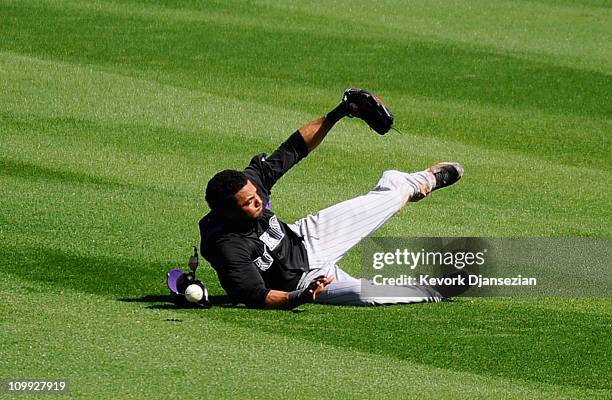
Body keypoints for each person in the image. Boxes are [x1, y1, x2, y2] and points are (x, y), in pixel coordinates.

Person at [199, 89, 464, 309]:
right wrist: (301, 296)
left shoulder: (249, 183)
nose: (258, 200)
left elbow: (295, 148)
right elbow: (257, 296)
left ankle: (416, 181)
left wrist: (339, 113)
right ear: (228, 212)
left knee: (394, 196)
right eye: (248, 202)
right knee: (367, 294)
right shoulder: (226, 247)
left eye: (255, 194)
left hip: (309, 237)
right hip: (302, 282)